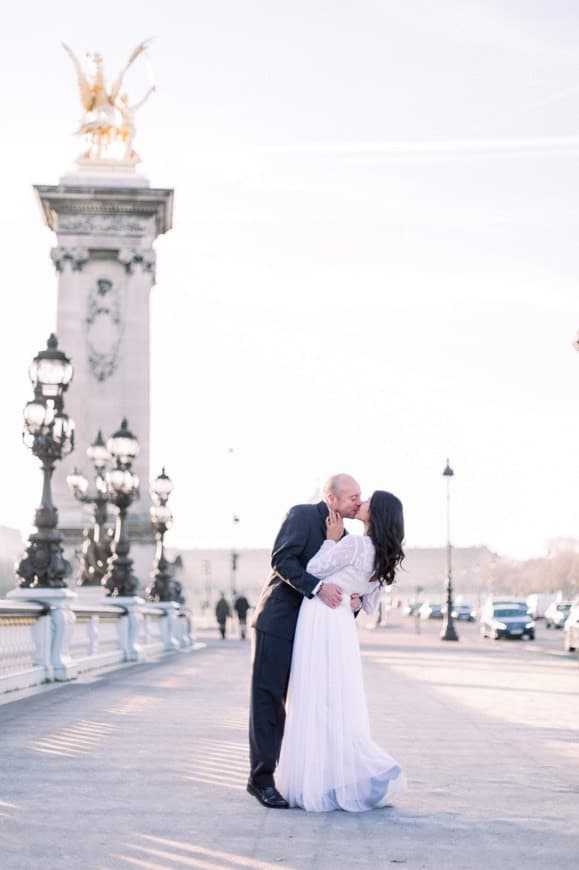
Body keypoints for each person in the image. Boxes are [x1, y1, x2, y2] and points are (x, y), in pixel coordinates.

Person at [276, 491, 407, 812]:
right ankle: (350, 771)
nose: (360, 504)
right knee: (336, 697)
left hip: (320, 616)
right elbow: (370, 603)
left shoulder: (355, 544)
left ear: (375, 514)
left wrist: (332, 539)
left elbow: (315, 568)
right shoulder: (382, 555)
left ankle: (352, 769)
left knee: (314, 696)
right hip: (343, 627)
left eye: (366, 503)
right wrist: (356, 598)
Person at [248, 474, 363, 809]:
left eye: (360, 497)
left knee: (313, 703)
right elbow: (281, 559)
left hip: (315, 632)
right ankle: (262, 781)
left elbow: (341, 584)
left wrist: (351, 604)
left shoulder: (348, 536)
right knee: (269, 699)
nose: (358, 502)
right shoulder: (301, 514)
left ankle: (308, 778)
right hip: (280, 622)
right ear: (331, 497)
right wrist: (316, 587)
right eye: (353, 496)